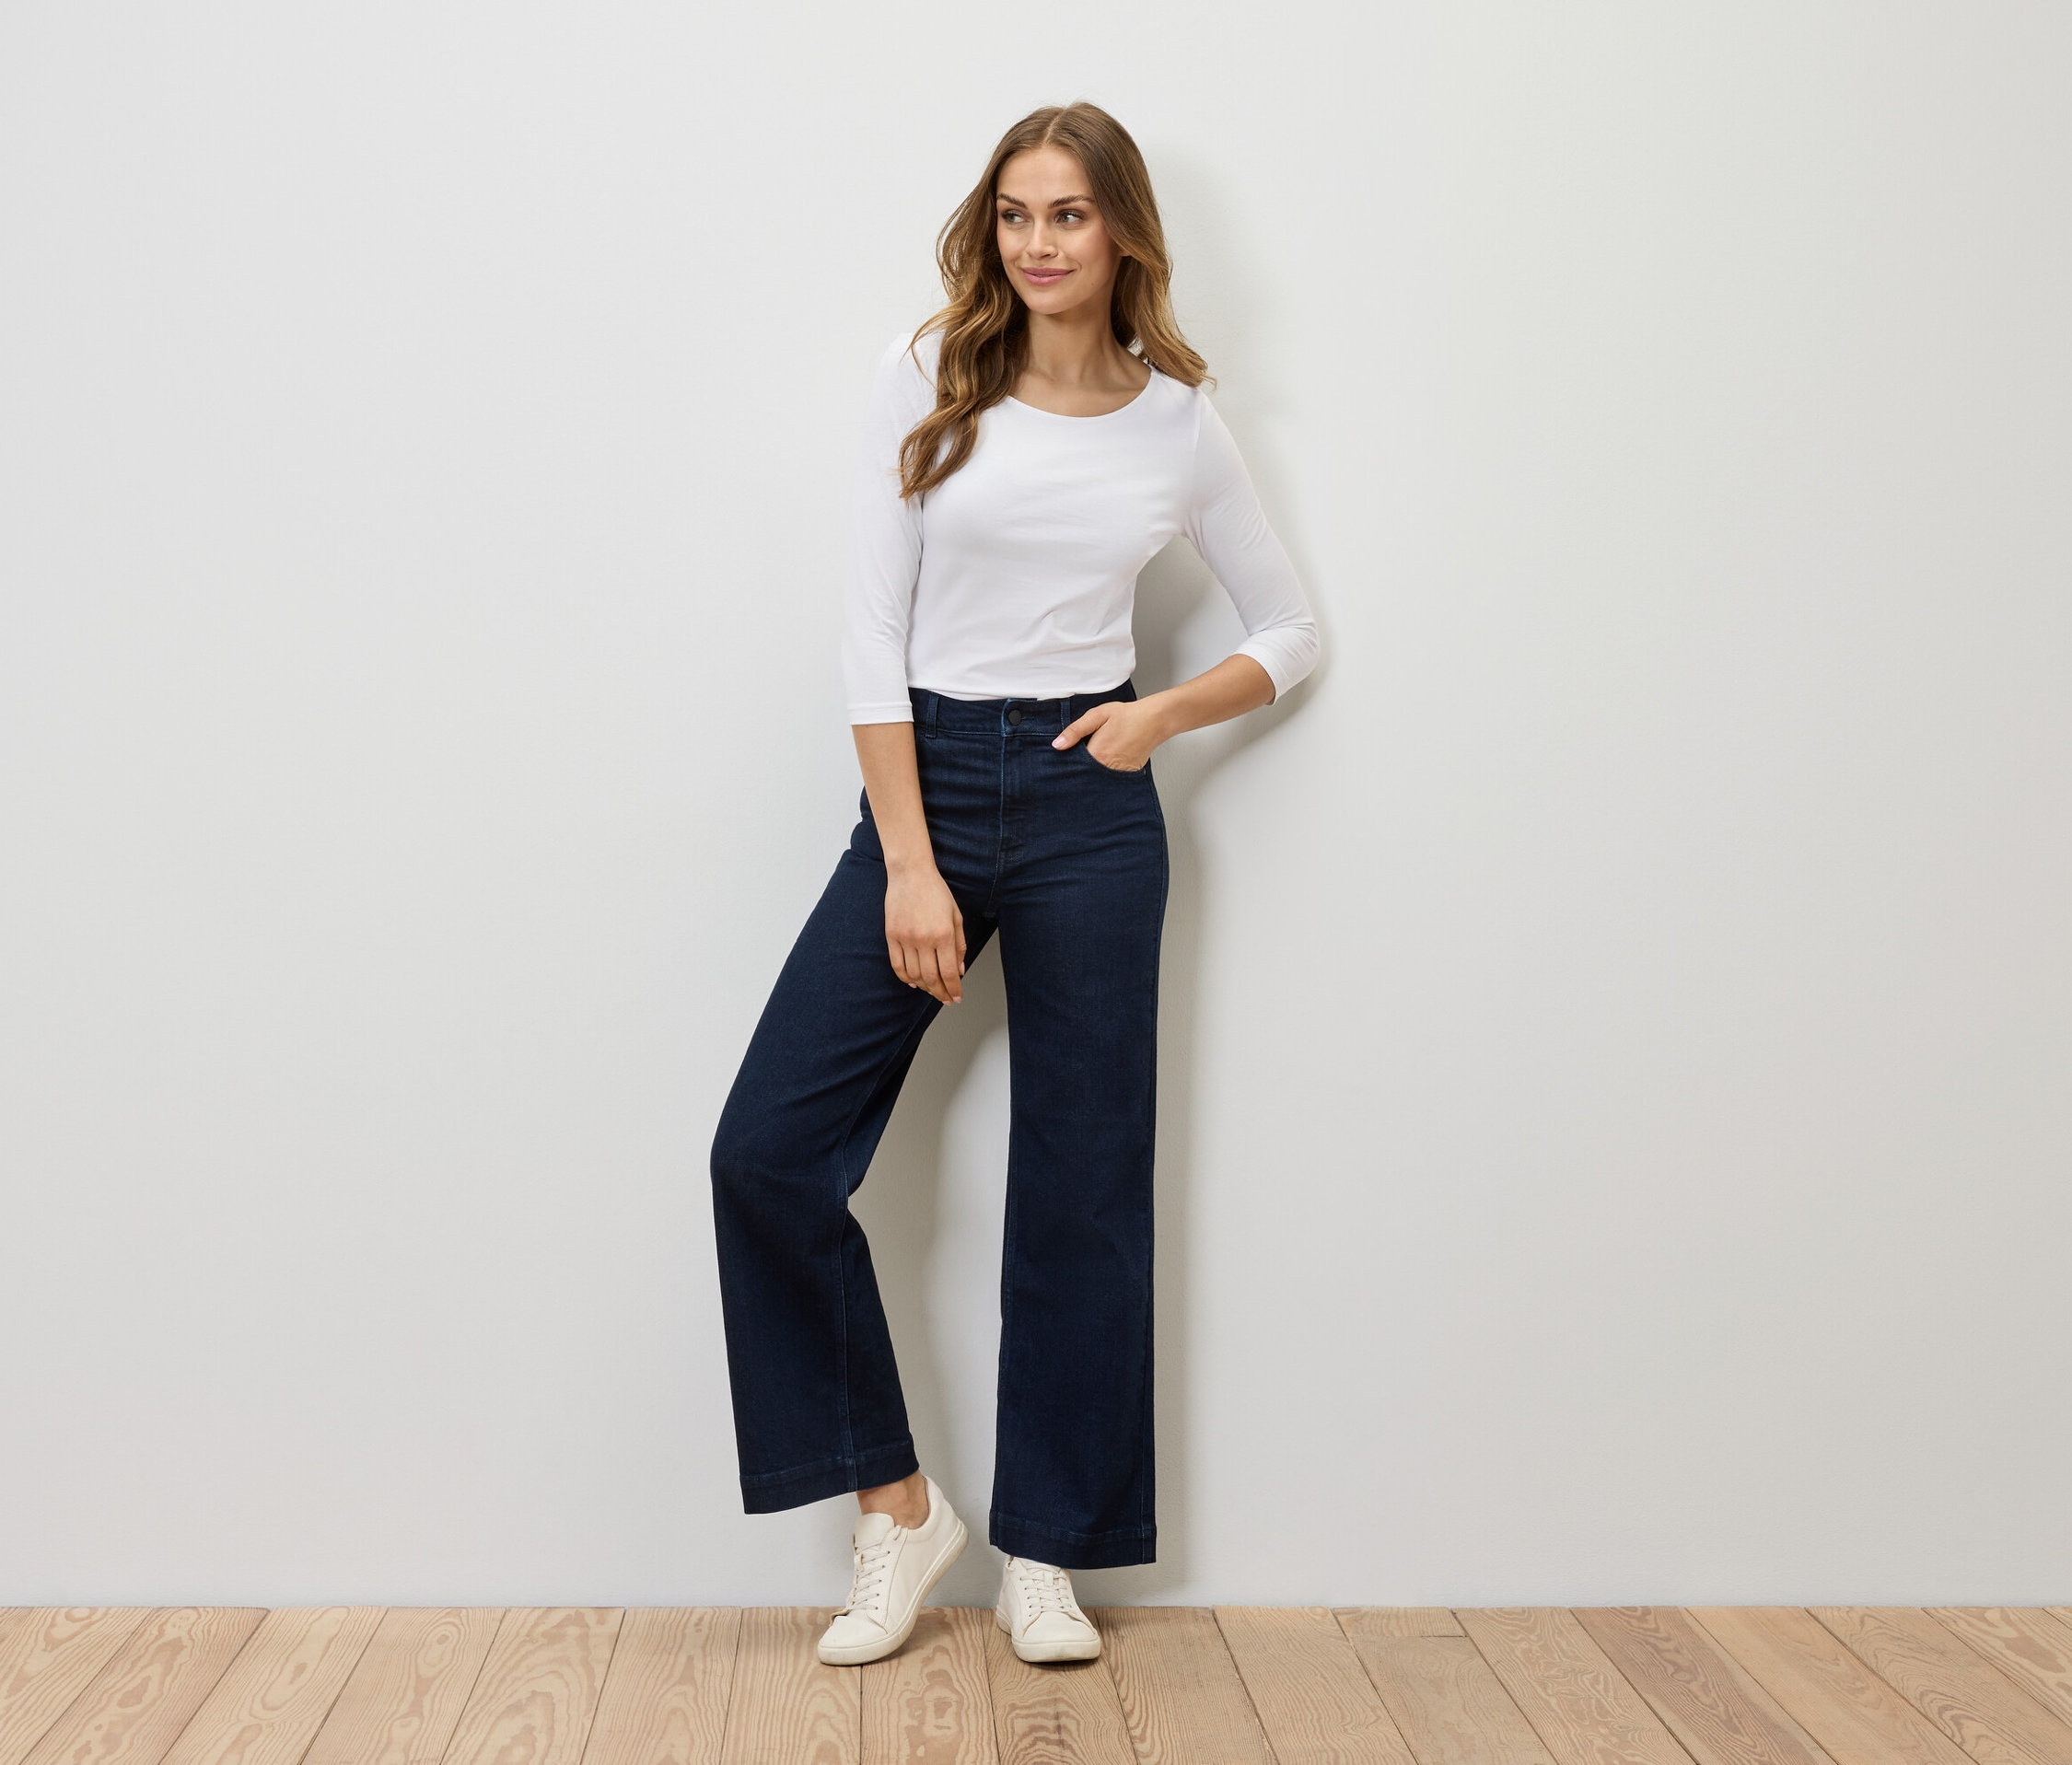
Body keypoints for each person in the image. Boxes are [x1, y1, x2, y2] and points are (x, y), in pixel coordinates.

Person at [708, 100, 1320, 1668]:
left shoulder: (1177, 422)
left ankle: (1047, 1551)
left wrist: (1159, 716)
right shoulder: (932, 377)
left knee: (1082, 1187)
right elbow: (868, 632)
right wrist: (908, 858)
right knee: (768, 1152)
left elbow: (1289, 626)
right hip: (926, 785)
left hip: (1090, 802)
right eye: (1014, 215)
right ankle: (900, 1512)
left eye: (1067, 215)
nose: (1037, 243)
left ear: (1122, 232)